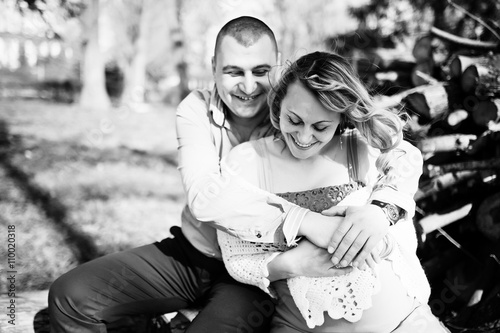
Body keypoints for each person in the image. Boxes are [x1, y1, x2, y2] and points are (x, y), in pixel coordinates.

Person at [48, 16, 419, 332]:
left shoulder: (299, 109)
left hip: (259, 273)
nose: (247, 86)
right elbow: (208, 197)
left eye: (260, 71)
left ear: (277, 68)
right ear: (213, 68)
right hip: (194, 255)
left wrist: (380, 209)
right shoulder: (194, 109)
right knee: (70, 296)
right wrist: (306, 222)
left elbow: (395, 150)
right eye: (233, 71)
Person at [217, 51, 450, 332]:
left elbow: (408, 157)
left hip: (403, 322)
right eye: (294, 120)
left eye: (320, 126)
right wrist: (291, 264)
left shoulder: (357, 148)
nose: (304, 138)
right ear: (278, 105)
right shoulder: (248, 162)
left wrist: (381, 212)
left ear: (341, 118)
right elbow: (237, 260)